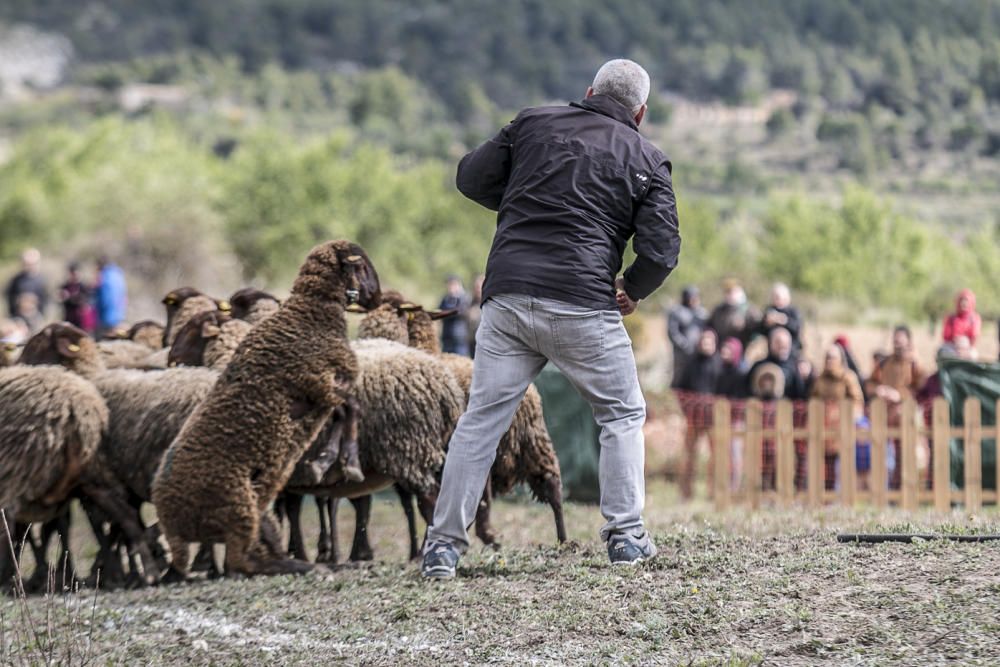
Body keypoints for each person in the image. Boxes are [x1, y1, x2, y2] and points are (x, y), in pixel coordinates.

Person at [422, 59, 679, 577]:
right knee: (622, 414)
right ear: (641, 112)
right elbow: (662, 250)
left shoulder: (532, 122)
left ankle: (442, 547)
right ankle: (626, 537)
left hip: (509, 298)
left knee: (480, 423)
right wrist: (631, 289)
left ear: (588, 90)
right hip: (584, 301)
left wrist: (518, 200)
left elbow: (471, 177)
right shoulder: (647, 158)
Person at [864, 325, 926, 488]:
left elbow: (921, 389)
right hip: (885, 417)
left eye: (900, 340)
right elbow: (870, 383)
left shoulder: (914, 364)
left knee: (907, 456)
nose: (897, 344)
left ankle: (909, 490)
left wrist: (900, 395)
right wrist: (879, 389)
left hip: (907, 418)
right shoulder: (884, 363)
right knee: (885, 457)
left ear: (908, 341)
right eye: (895, 340)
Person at [810, 345, 864, 491]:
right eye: (827, 357)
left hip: (842, 429)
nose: (829, 361)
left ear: (840, 359)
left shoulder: (848, 377)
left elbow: (857, 400)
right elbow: (813, 399)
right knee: (825, 468)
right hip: (823, 429)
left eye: (833, 357)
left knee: (842, 466)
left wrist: (848, 416)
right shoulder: (820, 379)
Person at [675, 329, 721, 499]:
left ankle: (714, 493)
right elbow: (680, 388)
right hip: (693, 418)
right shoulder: (690, 363)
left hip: (714, 419)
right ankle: (685, 494)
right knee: (689, 456)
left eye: (710, 342)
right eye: (704, 342)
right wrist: (687, 409)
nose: (706, 345)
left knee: (716, 457)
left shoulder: (719, 363)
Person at [747, 327, 807, 401]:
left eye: (786, 343)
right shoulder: (758, 367)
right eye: (778, 342)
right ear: (770, 343)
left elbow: (800, 395)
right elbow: (747, 391)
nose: (783, 346)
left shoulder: (794, 368)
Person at [667, 285, 707, 388]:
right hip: (682, 353)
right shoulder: (677, 311)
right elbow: (673, 333)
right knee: (680, 378)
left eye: (696, 297)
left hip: (698, 352)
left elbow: (706, 330)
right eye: (692, 297)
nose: (694, 300)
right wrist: (685, 345)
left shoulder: (702, 313)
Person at [708, 279, 760, 347]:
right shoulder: (718, 310)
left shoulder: (749, 310)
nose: (730, 294)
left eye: (733, 291)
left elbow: (758, 329)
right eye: (727, 292)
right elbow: (710, 327)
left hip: (741, 349)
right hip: (722, 350)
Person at [5, 248, 48, 321]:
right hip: (18, 317)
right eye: (26, 263)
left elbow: (46, 299)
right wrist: (19, 303)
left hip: (36, 318)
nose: (29, 266)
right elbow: (10, 297)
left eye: (32, 264)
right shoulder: (16, 280)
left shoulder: (42, 280)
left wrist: (35, 304)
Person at [759, 282, 802, 351]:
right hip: (773, 351)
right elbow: (761, 330)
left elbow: (797, 328)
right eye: (774, 297)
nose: (776, 299)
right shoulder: (769, 310)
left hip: (792, 350)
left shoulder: (793, 312)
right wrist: (767, 323)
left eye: (778, 297)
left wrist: (784, 321)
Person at [94, 256, 127, 337]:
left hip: (107, 317)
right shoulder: (118, 274)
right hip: (120, 315)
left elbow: (105, 299)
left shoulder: (105, 277)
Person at [438, 275, 471, 356]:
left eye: (453, 284)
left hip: (459, 338)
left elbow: (462, 312)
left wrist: (447, 312)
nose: (451, 287)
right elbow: (439, 312)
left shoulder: (464, 298)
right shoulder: (445, 299)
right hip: (446, 337)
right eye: (449, 284)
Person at [59, 262, 96, 333]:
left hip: (81, 322)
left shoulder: (83, 287)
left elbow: (85, 301)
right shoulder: (65, 286)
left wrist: (70, 297)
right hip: (69, 319)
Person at [466, 274, 486, 358]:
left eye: (479, 286)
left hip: (485, 343)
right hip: (472, 342)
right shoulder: (470, 302)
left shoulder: (489, 303)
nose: (478, 289)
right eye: (476, 287)